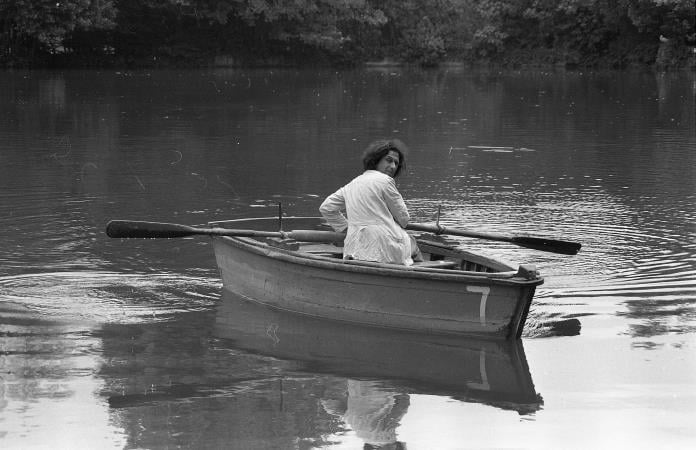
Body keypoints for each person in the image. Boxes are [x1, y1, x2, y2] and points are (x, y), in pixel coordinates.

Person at [319, 139, 421, 265]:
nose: (393, 166)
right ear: (376, 160)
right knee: (412, 243)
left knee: (407, 242)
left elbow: (326, 208)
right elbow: (404, 220)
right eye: (389, 160)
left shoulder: (352, 184)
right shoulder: (386, 181)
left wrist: (347, 229)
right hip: (384, 248)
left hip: (353, 249)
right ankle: (418, 275)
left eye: (396, 163)